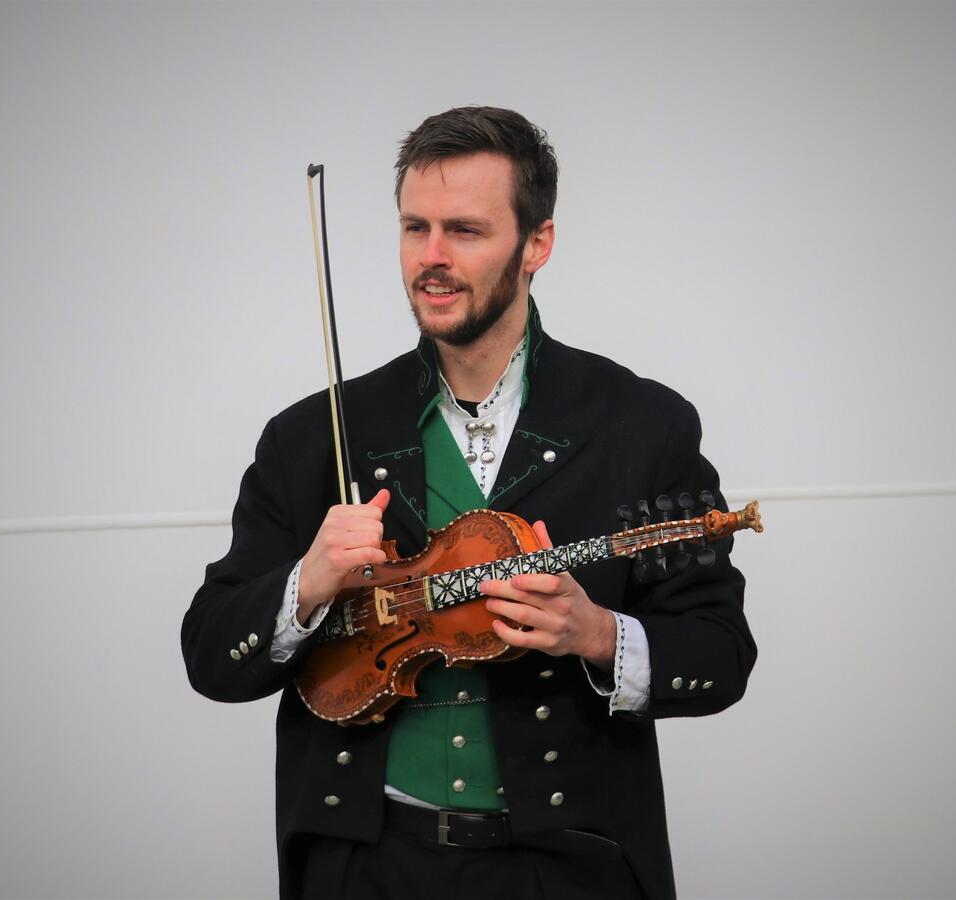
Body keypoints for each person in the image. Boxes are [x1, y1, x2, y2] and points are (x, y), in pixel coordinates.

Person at [182, 106, 756, 900]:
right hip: (365, 867)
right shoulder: (316, 435)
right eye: (414, 228)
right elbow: (211, 655)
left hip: (568, 866)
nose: (432, 258)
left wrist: (597, 635)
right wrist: (304, 586)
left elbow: (722, 655)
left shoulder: (642, 424)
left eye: (465, 230)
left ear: (537, 244)